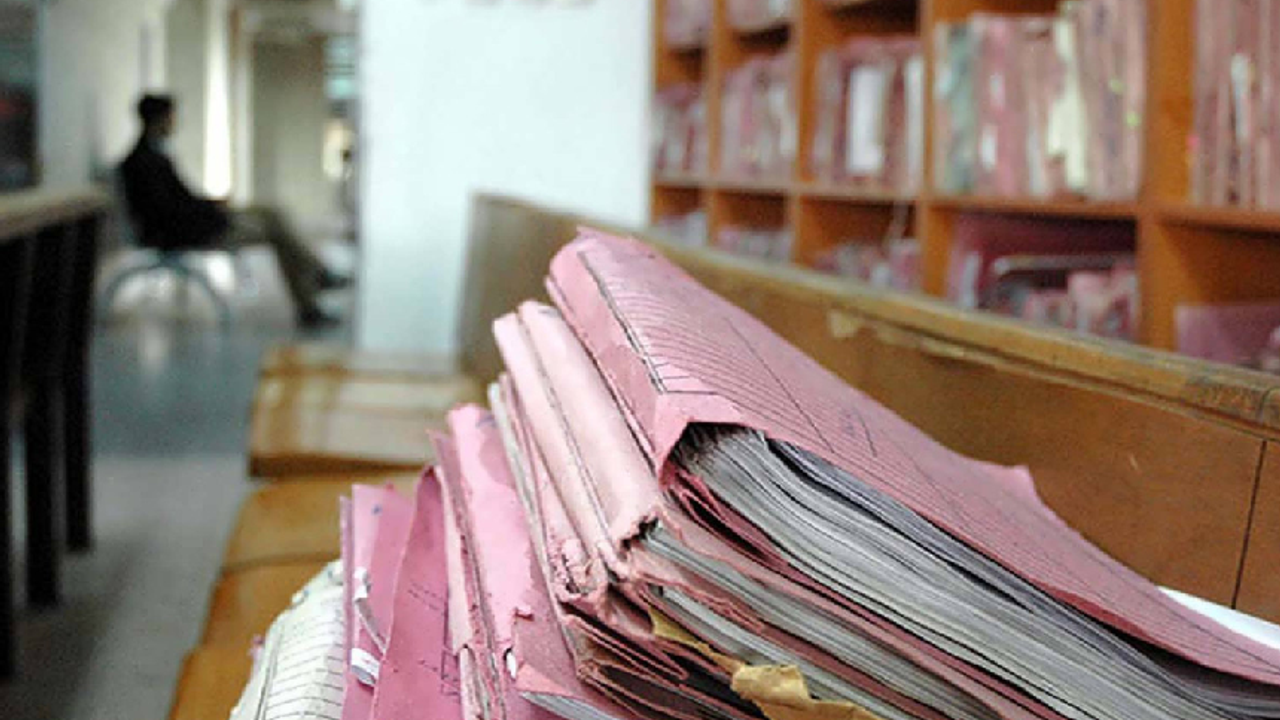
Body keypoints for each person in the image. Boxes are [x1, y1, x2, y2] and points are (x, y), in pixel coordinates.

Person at [119, 94, 348, 327]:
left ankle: (318, 273)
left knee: (271, 212)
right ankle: (310, 301)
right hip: (191, 231)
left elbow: (179, 200)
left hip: (198, 221)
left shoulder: (153, 156)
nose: (175, 122)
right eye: (171, 117)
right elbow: (169, 211)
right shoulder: (144, 162)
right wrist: (211, 208)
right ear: (159, 119)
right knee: (276, 232)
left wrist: (212, 203)